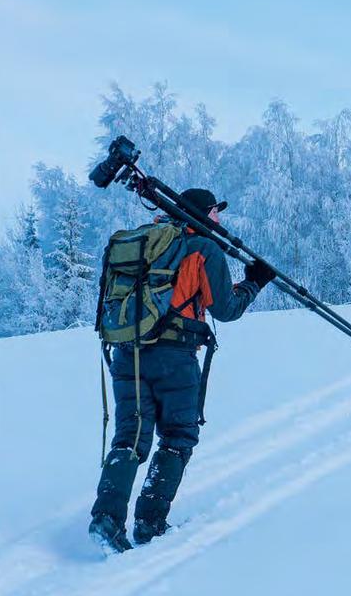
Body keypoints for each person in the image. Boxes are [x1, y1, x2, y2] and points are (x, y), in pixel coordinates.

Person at [88, 188, 276, 553]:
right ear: (203, 214)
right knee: (177, 435)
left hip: (128, 352)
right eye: (215, 213)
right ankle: (149, 522)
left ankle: (106, 519)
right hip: (174, 356)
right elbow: (226, 309)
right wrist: (255, 282)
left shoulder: (146, 241)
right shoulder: (204, 250)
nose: (219, 220)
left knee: (130, 435)